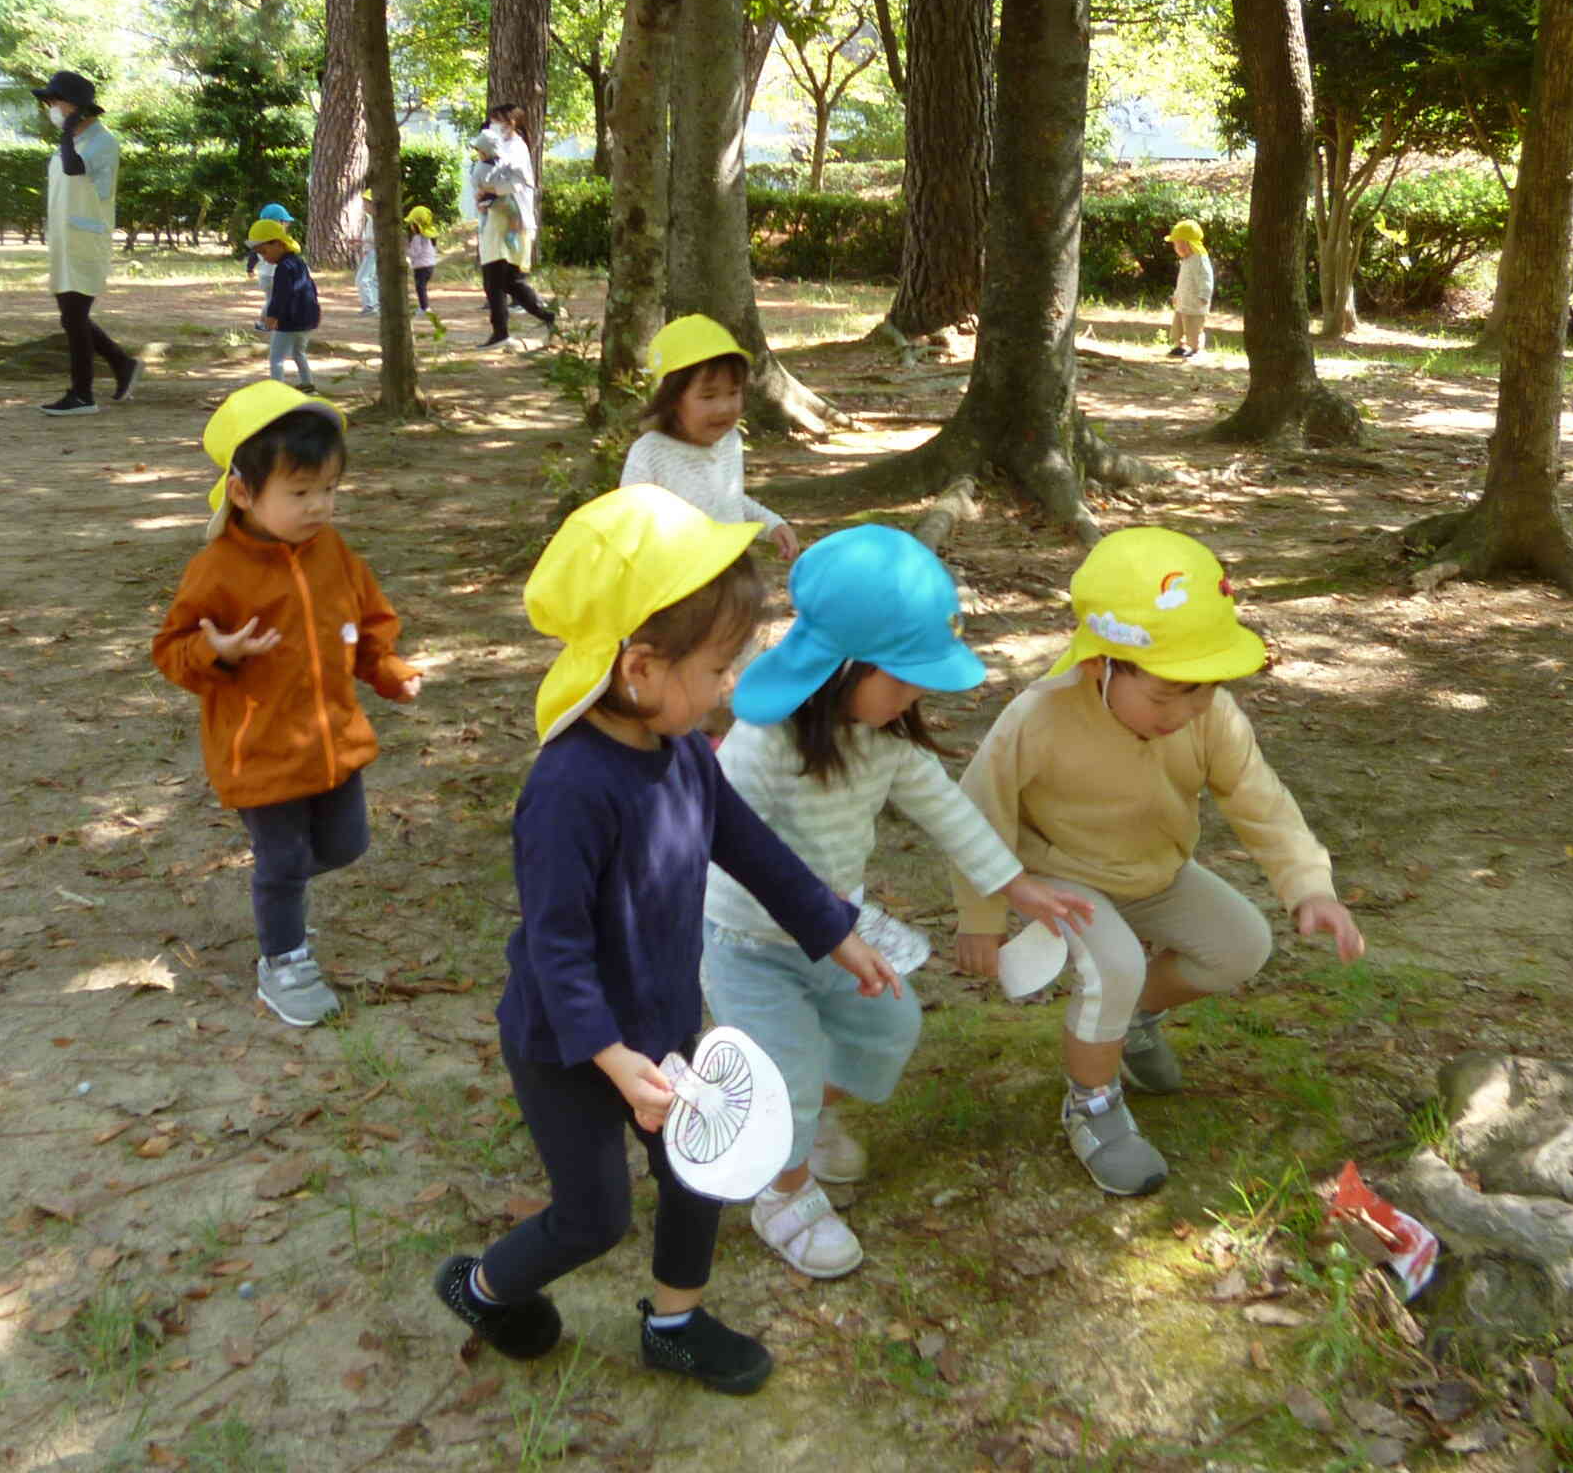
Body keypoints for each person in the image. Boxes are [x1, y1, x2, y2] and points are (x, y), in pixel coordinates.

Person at [434, 484, 902, 1395]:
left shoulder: (685, 750)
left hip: (660, 1022)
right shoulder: (569, 790)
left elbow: (750, 847)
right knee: (593, 1216)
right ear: (642, 667)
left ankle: (675, 1322)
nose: (733, 687)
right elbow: (557, 948)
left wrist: (833, 931)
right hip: (570, 1047)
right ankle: (485, 1286)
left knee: (701, 1172)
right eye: (721, 667)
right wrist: (611, 1058)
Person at [707, 525, 1096, 1279]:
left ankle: (805, 1126)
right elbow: (724, 845)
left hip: (839, 931)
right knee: (780, 1077)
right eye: (905, 679)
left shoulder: (883, 739)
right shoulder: (761, 744)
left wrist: (1016, 886)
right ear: (843, 667)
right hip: (748, 943)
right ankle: (781, 1194)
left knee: (888, 1027)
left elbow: (948, 810)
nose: (916, 697)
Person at [950, 527, 1367, 1197]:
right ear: (1099, 666)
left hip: (1152, 871)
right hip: (1060, 878)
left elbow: (1260, 800)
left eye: (1201, 690)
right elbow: (977, 812)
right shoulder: (1038, 716)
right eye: (1164, 694)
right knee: (1115, 964)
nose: (1186, 710)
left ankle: (1127, 1024)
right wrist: (982, 913)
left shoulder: (1210, 717)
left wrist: (1309, 887)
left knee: (1242, 945)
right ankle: (1090, 1102)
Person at [150, 382, 421, 1026]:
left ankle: (284, 896)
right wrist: (216, 650)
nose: (317, 507)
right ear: (243, 492)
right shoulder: (216, 569)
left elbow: (370, 621)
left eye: (327, 489)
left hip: (334, 740)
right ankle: (284, 959)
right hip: (259, 752)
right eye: (298, 493)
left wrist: (387, 670)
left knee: (346, 845)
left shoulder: (335, 555)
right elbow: (171, 650)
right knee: (279, 863)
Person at [618, 315, 800, 564]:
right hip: (678, 583)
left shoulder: (730, 441)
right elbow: (629, 526)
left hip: (730, 574)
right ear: (671, 399)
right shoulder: (650, 453)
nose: (724, 407)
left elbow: (729, 501)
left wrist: (771, 524)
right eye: (708, 396)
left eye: (733, 392)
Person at [35, 69, 141, 416]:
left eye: (55, 102)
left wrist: (67, 131)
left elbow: (73, 169)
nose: (50, 108)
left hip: (85, 240)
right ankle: (121, 363)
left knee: (75, 316)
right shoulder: (76, 138)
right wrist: (68, 131)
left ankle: (82, 394)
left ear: (76, 107)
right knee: (70, 317)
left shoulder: (101, 142)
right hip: (66, 240)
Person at [472, 103, 555, 348]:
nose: (494, 125)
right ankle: (546, 316)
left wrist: (489, 191)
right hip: (497, 219)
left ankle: (502, 332)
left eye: (498, 120)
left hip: (511, 222)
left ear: (512, 122)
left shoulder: (517, 147)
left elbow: (519, 181)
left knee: (496, 279)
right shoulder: (497, 145)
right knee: (508, 281)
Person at [249, 219, 321, 392]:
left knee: (276, 358)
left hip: (289, 321)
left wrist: (272, 316)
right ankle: (308, 385)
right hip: (307, 319)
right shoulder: (298, 262)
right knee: (299, 353)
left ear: (279, 244)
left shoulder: (283, 268)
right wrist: (315, 313)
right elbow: (311, 288)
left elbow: (281, 295)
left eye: (265, 252)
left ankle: (276, 391)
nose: (264, 258)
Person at [1167, 220, 1213, 360]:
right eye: (1175, 245)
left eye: (1179, 244)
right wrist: (1176, 295)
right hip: (1182, 302)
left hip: (1196, 303)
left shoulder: (1200, 260)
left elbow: (1206, 279)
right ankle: (1179, 345)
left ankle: (1195, 348)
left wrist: (1204, 295)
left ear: (1188, 244)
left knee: (1193, 328)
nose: (1176, 248)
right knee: (1178, 326)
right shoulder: (1186, 261)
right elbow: (1181, 281)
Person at [404, 204, 441, 314]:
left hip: (421, 266)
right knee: (421, 287)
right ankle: (423, 307)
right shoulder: (428, 237)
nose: (410, 226)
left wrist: (406, 251)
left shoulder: (417, 238)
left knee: (420, 287)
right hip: (429, 265)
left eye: (412, 224)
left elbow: (415, 252)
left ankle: (425, 308)